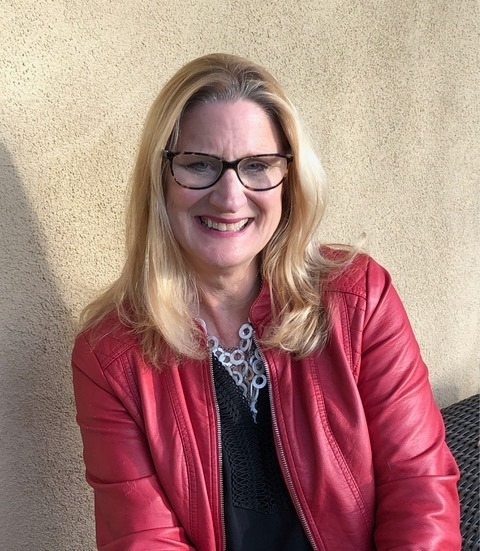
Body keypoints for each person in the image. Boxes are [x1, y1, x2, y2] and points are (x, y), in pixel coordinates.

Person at [72, 53, 461, 550]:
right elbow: (143, 539)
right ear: (161, 181)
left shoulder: (360, 298)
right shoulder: (109, 358)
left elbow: (419, 488)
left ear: (289, 182)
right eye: (199, 164)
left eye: (258, 166)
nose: (230, 197)